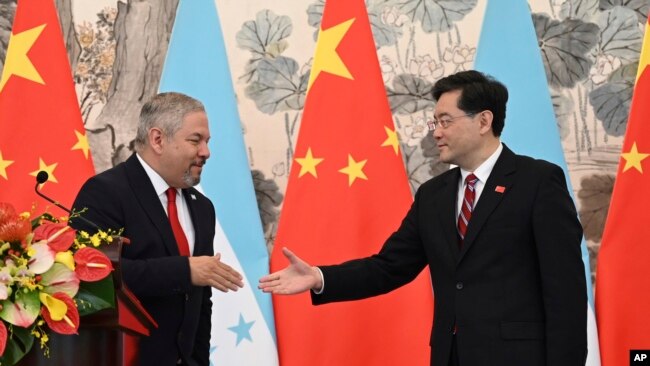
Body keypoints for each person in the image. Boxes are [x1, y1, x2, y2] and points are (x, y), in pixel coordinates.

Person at [259, 70, 587, 366]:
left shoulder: (538, 181)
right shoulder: (434, 195)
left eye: (445, 121)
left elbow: (565, 293)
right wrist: (319, 277)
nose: (436, 133)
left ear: (484, 121)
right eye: (435, 123)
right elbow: (389, 267)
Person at [72, 92, 244, 366]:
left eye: (207, 141)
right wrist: (185, 270)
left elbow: (200, 305)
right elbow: (91, 276)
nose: (206, 152)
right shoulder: (105, 192)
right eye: (195, 140)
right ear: (158, 139)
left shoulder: (203, 208)